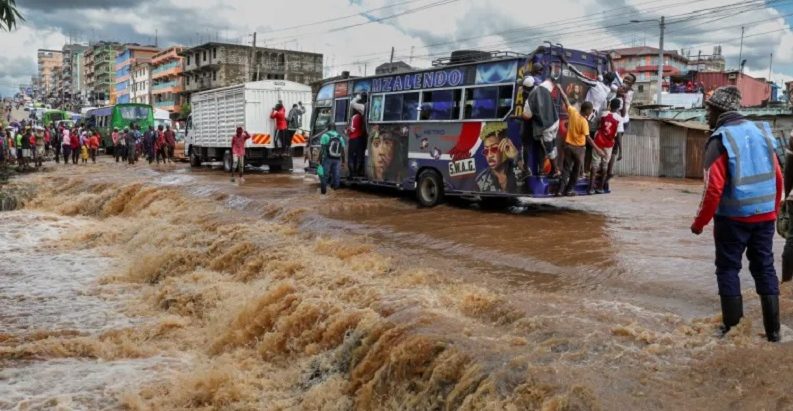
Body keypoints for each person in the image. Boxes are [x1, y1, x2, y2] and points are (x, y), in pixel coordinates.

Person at [690, 86, 783, 342]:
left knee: (728, 269)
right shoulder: (762, 132)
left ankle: (732, 331)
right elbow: (778, 177)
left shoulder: (720, 139)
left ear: (717, 110)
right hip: (764, 216)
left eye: (708, 110)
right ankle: (774, 332)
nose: (706, 116)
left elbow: (713, 189)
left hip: (733, 218)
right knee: (765, 268)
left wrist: (699, 223)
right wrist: (773, 211)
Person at [557, 85, 600, 197]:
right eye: (590, 110)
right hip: (578, 149)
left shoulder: (573, 112)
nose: (591, 112)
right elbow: (588, 138)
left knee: (566, 170)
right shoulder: (584, 122)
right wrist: (598, 149)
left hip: (568, 147)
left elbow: (566, 100)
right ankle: (569, 190)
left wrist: (560, 88)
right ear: (586, 110)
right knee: (576, 171)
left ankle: (560, 191)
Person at [475, 123, 524, 193]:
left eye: (494, 149)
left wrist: (516, 156)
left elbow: (531, 179)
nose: (489, 155)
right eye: (486, 151)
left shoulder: (518, 167)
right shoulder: (482, 181)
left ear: (504, 147)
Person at [588, 98, 623, 194]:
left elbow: (598, 124)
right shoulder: (619, 119)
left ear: (610, 105)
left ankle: (591, 188)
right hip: (608, 143)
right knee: (605, 165)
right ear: (619, 107)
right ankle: (601, 188)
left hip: (598, 140)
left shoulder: (603, 114)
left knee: (594, 164)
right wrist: (620, 150)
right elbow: (619, 136)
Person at [527, 75, 560, 177]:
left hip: (546, 127)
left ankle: (556, 170)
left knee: (549, 149)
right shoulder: (544, 87)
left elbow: (527, 116)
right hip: (555, 121)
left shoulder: (531, 96)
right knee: (553, 146)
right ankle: (552, 170)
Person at [318, 124, 345, 194]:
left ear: (328, 128)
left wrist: (319, 159)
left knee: (325, 175)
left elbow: (322, 149)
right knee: (336, 175)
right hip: (337, 159)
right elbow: (342, 150)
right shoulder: (340, 137)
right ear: (335, 129)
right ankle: (335, 191)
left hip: (328, 158)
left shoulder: (325, 135)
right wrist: (343, 161)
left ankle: (323, 192)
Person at [346, 96, 366, 177]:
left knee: (351, 157)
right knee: (359, 156)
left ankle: (352, 174)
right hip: (361, 138)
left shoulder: (355, 117)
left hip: (353, 139)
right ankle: (358, 173)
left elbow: (353, 129)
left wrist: (347, 129)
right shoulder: (362, 117)